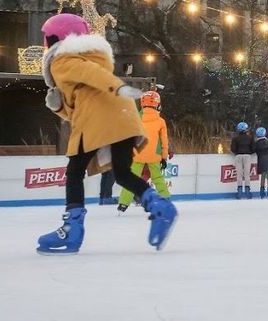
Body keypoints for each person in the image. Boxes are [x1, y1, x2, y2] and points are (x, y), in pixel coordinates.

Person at [35, 13, 176, 254]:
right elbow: (80, 105)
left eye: (46, 39)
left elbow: (93, 77)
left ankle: (72, 229)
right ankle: (160, 206)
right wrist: (57, 105)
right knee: (122, 174)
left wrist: (117, 86)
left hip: (101, 117)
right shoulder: (90, 59)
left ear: (55, 38)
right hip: (123, 115)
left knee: (74, 172)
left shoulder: (63, 59)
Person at [118, 91, 171, 212]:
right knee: (158, 179)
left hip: (138, 155)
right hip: (154, 156)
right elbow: (164, 141)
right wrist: (164, 157)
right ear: (157, 104)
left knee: (131, 179)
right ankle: (166, 199)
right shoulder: (160, 121)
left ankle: (123, 203)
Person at [230, 122, 254, 200]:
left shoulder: (235, 138)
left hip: (238, 156)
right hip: (247, 156)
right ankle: (247, 192)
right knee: (247, 174)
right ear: (246, 129)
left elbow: (233, 149)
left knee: (239, 174)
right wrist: (249, 152)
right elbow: (253, 148)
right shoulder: (250, 138)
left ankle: (239, 192)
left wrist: (237, 152)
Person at [254, 127, 268, 199]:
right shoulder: (267, 142)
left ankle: (262, 192)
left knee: (263, 177)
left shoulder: (257, 143)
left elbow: (255, 150)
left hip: (261, 160)